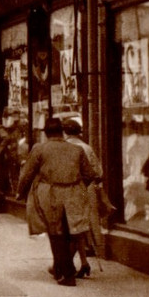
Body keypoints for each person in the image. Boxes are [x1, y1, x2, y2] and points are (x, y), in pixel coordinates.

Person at [18, 117, 99, 286]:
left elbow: (27, 174)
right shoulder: (77, 150)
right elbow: (90, 175)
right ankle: (62, 270)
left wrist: (21, 192)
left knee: (56, 234)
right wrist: (76, 185)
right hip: (74, 194)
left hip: (50, 194)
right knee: (71, 232)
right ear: (62, 132)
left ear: (47, 133)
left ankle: (66, 273)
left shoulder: (40, 149)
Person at [62, 117, 109, 277]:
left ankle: (64, 262)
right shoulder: (87, 148)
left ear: (65, 132)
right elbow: (98, 172)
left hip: (71, 191)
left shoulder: (65, 148)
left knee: (72, 228)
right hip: (87, 190)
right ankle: (83, 262)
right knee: (80, 227)